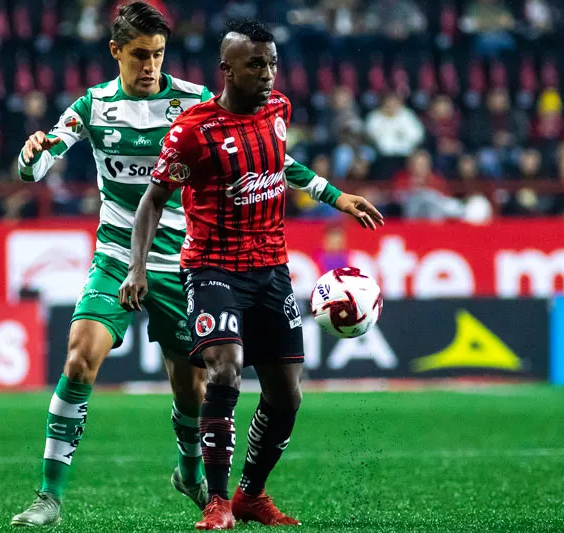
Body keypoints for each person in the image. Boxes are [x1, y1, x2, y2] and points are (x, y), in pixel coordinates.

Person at [119, 19, 383, 530]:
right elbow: (152, 202)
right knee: (225, 369)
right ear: (227, 69)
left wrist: (336, 195)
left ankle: (250, 495)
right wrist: (137, 269)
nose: (267, 74)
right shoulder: (194, 133)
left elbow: (282, 163)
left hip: (270, 269)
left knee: (288, 394)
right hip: (213, 267)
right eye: (256, 64)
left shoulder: (279, 110)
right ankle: (217, 503)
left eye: (273, 63)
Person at [10, 3, 213, 527]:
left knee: (191, 389)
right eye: (140, 55)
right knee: (79, 358)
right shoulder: (94, 105)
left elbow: (249, 152)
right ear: (116, 51)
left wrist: (324, 190)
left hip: (180, 264)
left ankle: (190, 472)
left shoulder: (195, 101)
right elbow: (37, 165)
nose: (150, 65)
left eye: (159, 54)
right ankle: (48, 496)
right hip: (117, 258)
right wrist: (33, 154)